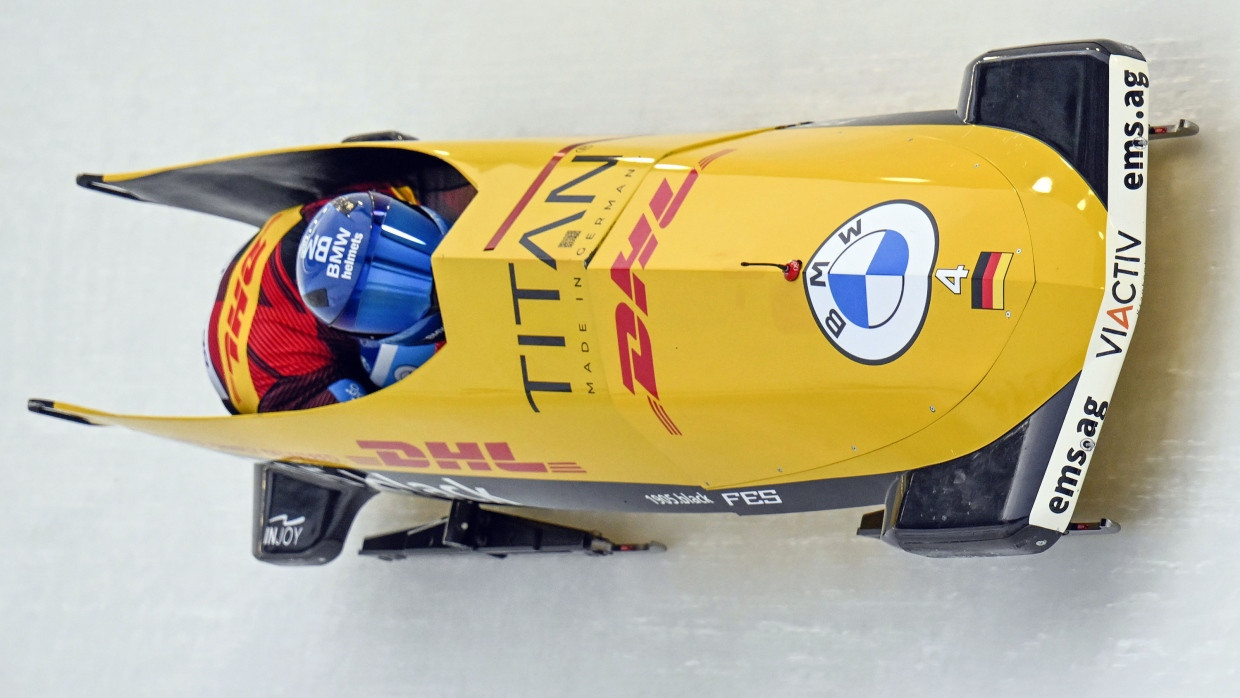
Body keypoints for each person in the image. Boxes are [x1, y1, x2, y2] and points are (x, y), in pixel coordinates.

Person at [205, 173, 475, 414]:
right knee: (394, 364)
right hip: (271, 382)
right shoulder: (289, 391)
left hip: (277, 264)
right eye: (387, 297)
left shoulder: (367, 206)